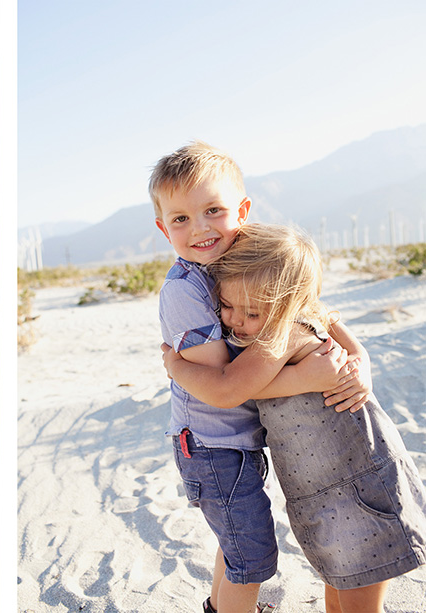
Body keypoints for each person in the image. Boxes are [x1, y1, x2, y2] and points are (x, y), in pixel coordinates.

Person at [150, 142, 370, 613]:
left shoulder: (246, 260)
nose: (200, 228)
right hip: (213, 443)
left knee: (237, 540)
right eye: (181, 218)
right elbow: (225, 388)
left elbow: (310, 306)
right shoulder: (186, 291)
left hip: (240, 439)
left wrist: (359, 357)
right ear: (162, 226)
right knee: (251, 557)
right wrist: (307, 376)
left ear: (242, 211)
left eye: (213, 210)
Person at [162, 223, 426, 613]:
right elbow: (319, 320)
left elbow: (231, 389)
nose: (234, 321)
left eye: (250, 312)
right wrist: (356, 358)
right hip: (329, 485)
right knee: (339, 587)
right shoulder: (270, 324)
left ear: (288, 303)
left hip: (355, 484)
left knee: (355, 595)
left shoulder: (280, 334)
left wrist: (176, 366)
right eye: (226, 305)